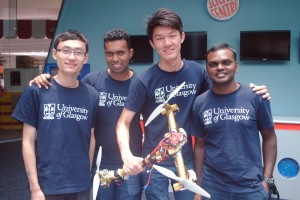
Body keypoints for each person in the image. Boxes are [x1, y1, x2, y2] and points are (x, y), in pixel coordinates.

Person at [116, 8, 270, 200]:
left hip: (188, 160)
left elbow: (223, 91)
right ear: (152, 43)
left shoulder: (197, 72)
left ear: (182, 37)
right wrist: (127, 155)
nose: (167, 43)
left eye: (172, 35)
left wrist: (251, 90)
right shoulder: (143, 81)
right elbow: (123, 122)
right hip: (154, 163)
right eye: (160, 38)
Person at [30, 28, 143, 200]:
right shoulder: (92, 81)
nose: (115, 59)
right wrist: (42, 80)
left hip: (131, 164)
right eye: (110, 54)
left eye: (120, 53)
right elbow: (68, 90)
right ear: (104, 54)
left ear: (131, 52)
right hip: (99, 165)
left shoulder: (141, 84)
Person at [12, 30, 99, 200]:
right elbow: (27, 142)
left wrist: (86, 175)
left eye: (78, 52)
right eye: (65, 50)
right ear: (55, 53)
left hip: (81, 185)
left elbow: (91, 138)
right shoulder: (37, 91)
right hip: (48, 186)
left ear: (85, 58)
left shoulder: (92, 95)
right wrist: (34, 188)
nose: (72, 57)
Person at [192, 43, 277, 200]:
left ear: (236, 66)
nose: (219, 67)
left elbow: (269, 137)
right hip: (213, 187)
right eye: (213, 64)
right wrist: (198, 187)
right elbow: (200, 145)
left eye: (226, 62)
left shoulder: (256, 97)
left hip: (250, 187)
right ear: (207, 69)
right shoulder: (199, 103)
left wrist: (267, 180)